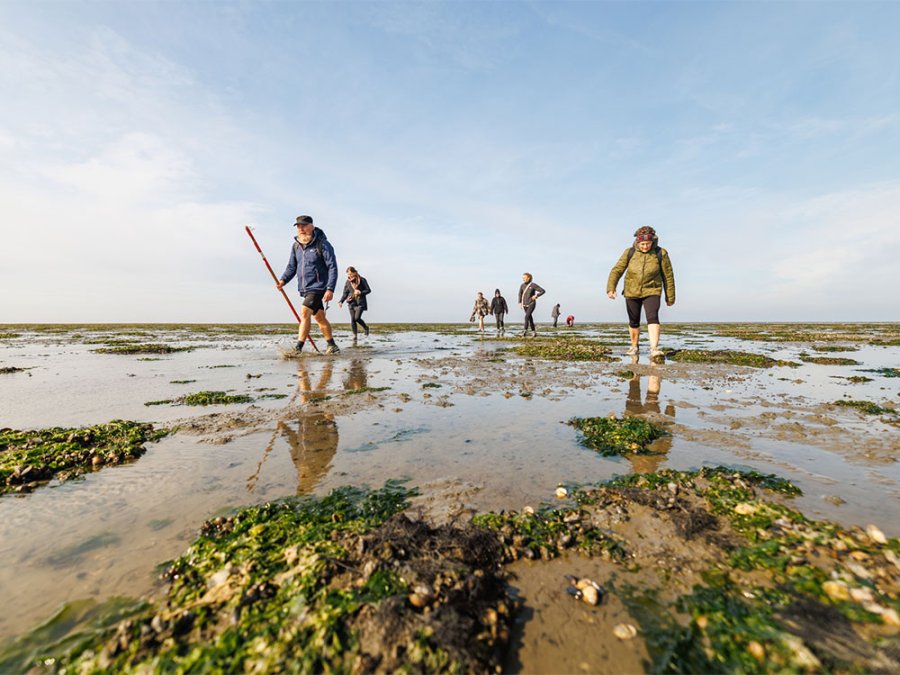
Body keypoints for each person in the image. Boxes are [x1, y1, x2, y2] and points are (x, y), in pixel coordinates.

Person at [606, 226, 676, 358]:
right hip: (631, 291)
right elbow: (617, 270)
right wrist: (611, 288)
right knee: (634, 321)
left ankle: (654, 348)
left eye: (648, 244)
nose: (645, 247)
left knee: (653, 317)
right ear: (637, 242)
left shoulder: (661, 253)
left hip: (652, 290)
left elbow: (668, 276)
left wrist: (670, 296)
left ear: (653, 241)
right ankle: (634, 347)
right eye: (642, 244)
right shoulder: (629, 252)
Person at [276, 215, 340, 355]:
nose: (301, 229)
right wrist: (283, 281)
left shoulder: (322, 244)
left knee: (304, 312)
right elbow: (291, 267)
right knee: (319, 318)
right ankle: (332, 345)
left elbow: (333, 267)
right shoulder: (296, 246)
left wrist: (330, 288)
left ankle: (298, 348)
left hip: (319, 287)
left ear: (312, 226)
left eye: (304, 226)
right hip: (305, 288)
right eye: (298, 226)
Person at [338, 266, 371, 341]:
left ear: (355, 272)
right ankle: (355, 336)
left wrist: (360, 292)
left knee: (357, 318)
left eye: (350, 274)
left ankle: (366, 327)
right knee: (353, 319)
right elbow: (345, 293)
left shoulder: (362, 280)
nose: (349, 276)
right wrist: (341, 301)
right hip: (351, 302)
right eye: (348, 274)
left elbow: (368, 290)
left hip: (360, 302)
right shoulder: (348, 282)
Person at [518, 272, 545, 337]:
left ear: (529, 278)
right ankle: (534, 331)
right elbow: (520, 294)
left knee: (526, 317)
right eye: (522, 278)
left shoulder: (533, 285)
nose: (523, 279)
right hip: (524, 304)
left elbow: (543, 291)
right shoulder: (522, 285)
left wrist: (536, 295)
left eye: (524, 278)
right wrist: (519, 302)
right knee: (530, 318)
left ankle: (524, 331)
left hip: (531, 303)